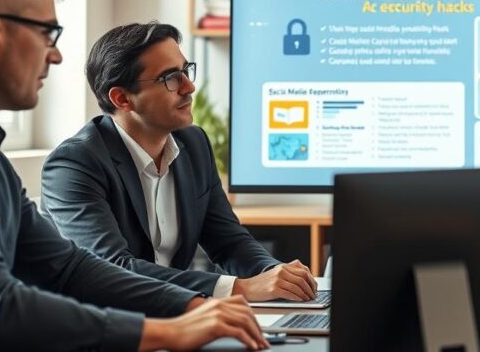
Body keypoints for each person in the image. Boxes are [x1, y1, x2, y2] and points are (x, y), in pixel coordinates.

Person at [0, 0, 269, 351]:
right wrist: (167, 331)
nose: (55, 56)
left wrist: (194, 307)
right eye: (46, 33)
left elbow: (68, 268)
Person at [41, 22, 318, 303]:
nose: (189, 86)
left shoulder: (194, 144)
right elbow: (113, 268)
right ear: (122, 98)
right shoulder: (74, 164)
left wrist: (275, 275)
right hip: (98, 320)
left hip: (174, 312)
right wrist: (240, 288)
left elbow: (229, 242)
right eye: (170, 78)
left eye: (186, 70)